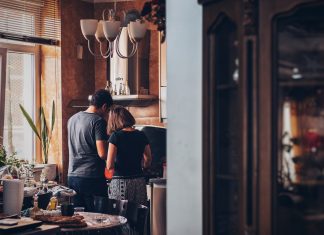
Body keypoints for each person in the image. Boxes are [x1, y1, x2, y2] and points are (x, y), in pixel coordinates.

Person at [67, 89, 113, 211]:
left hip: (72, 176)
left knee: (79, 219)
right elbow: (102, 154)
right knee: (100, 219)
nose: (107, 114)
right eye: (108, 110)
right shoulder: (98, 122)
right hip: (91, 178)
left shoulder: (72, 119)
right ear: (104, 106)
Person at [106, 105, 152, 206]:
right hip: (139, 180)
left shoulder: (115, 136)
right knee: (139, 214)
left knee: (121, 217)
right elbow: (148, 158)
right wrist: (144, 167)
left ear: (114, 120)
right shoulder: (141, 135)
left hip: (120, 182)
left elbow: (109, 165)